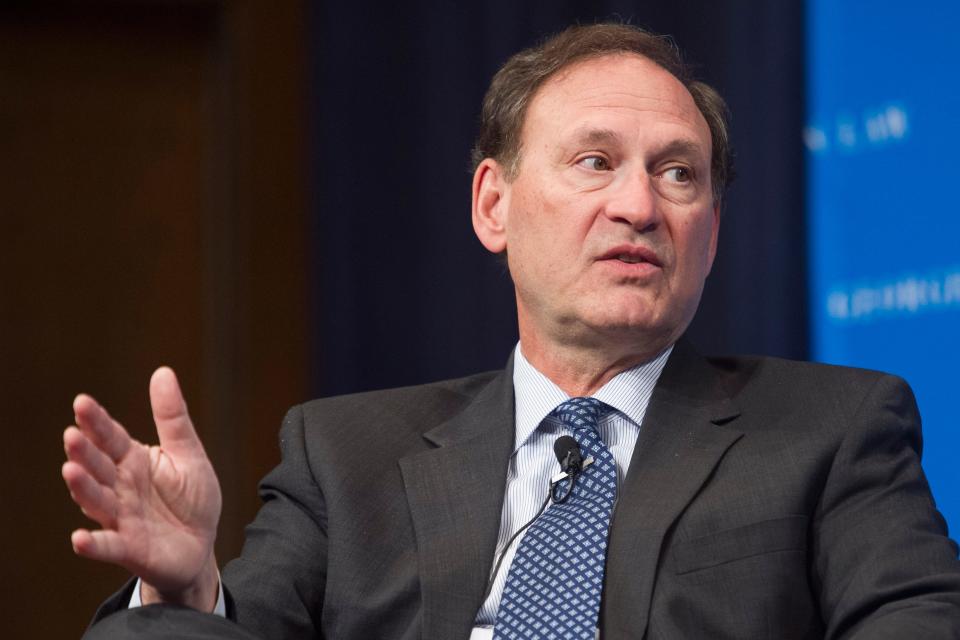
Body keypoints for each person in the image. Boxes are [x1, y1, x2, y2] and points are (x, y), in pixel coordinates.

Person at [63, 23, 960, 639]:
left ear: (713, 230)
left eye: (680, 174)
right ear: (494, 205)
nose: (640, 205)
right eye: (596, 162)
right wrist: (185, 590)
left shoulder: (835, 431)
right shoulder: (345, 457)